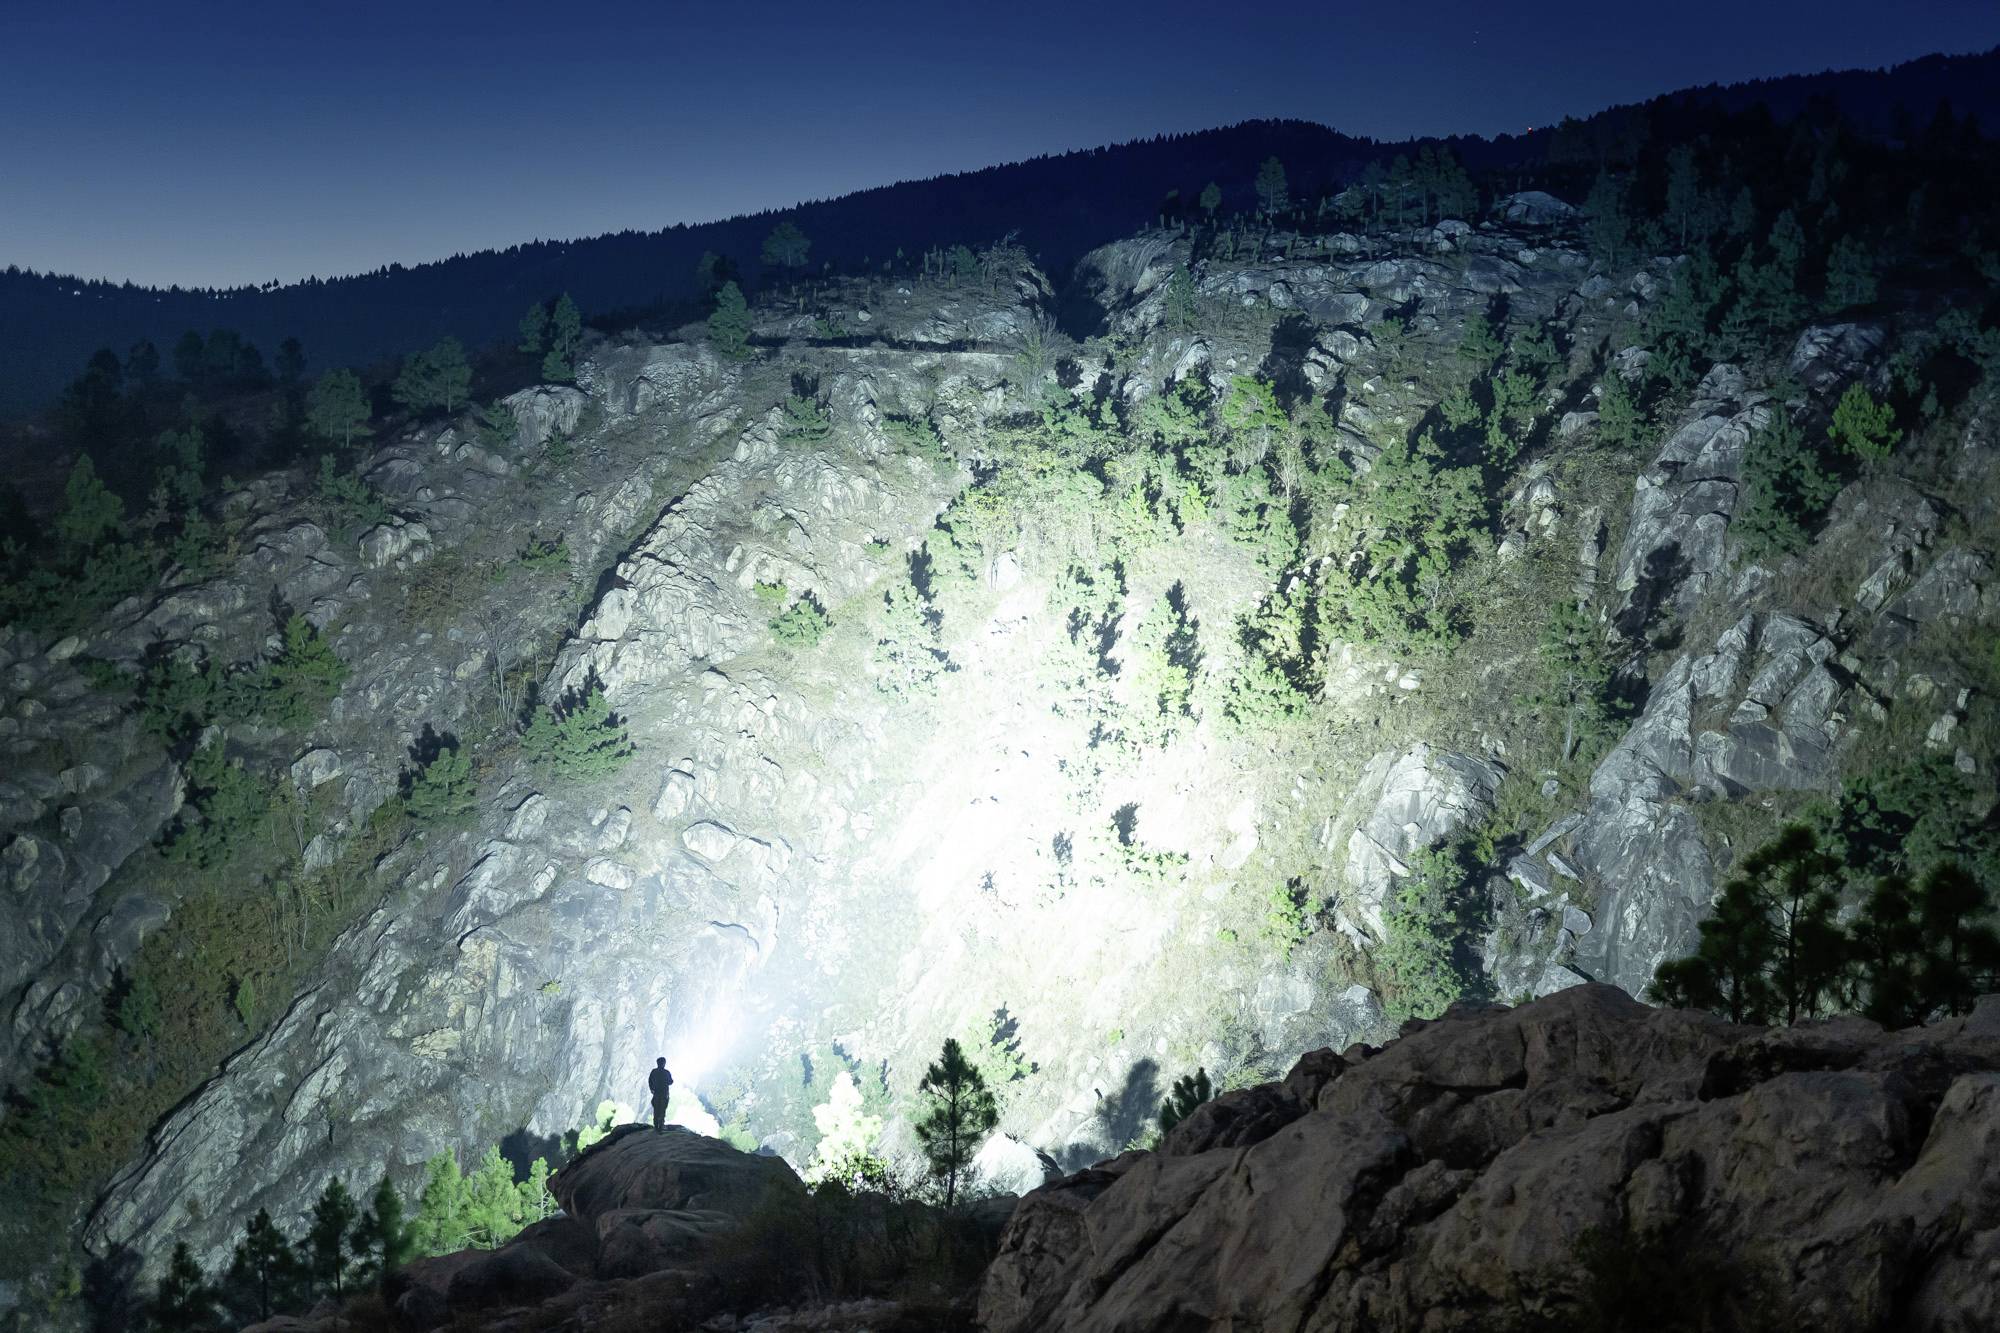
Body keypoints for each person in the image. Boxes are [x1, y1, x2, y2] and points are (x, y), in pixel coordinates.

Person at [648, 1057, 674, 1131]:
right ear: (664, 1063)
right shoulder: (666, 1072)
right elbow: (671, 1082)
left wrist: (651, 1089)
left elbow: (650, 1081)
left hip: (656, 1093)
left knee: (656, 1109)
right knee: (662, 1109)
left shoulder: (654, 1071)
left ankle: (656, 1125)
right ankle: (661, 1125)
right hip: (664, 1094)